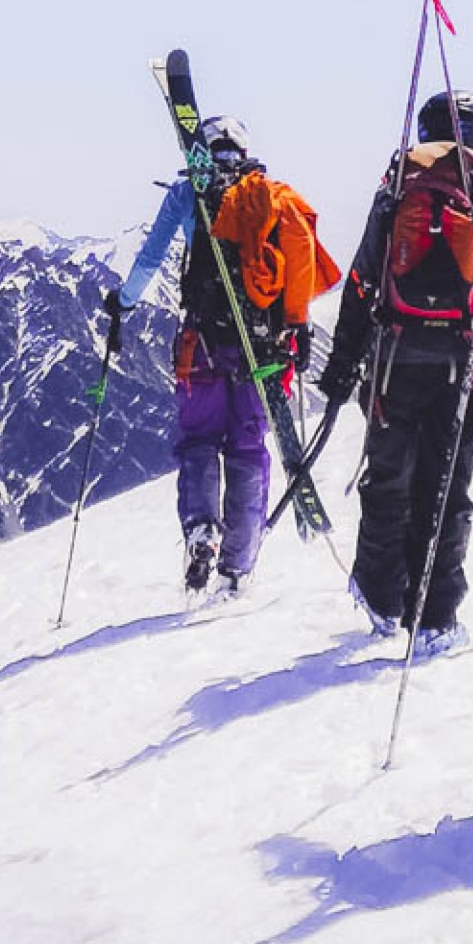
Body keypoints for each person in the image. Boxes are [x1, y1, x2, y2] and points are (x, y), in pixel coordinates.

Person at [317, 90, 473, 655]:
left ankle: (382, 602)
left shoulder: (398, 187)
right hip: (463, 364)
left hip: (392, 357)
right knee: (446, 487)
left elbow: (363, 279)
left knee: (388, 478)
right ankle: (435, 618)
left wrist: (343, 363)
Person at [109, 116, 339, 594]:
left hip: (201, 344)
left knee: (198, 441)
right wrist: (297, 327)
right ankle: (238, 566)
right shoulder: (271, 197)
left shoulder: (186, 194)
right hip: (264, 348)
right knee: (248, 449)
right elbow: (298, 262)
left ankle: (200, 529)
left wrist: (124, 303)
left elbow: (151, 256)